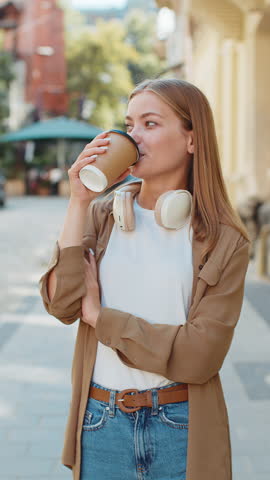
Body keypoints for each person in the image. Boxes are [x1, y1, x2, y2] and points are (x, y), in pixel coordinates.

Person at [39, 78, 251, 480]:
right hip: (101, 424)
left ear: (192, 139)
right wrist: (79, 200)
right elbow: (62, 305)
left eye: (150, 124)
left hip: (182, 427)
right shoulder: (102, 217)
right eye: (128, 124)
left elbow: (199, 357)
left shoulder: (225, 240)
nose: (133, 137)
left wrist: (102, 319)